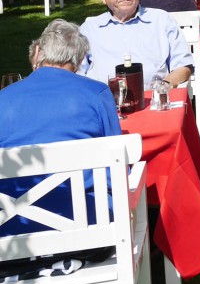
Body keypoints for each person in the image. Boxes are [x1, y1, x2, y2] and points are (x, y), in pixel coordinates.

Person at [0, 20, 121, 236]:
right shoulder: (96, 93)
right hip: (89, 227)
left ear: (38, 53)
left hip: (12, 229)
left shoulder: (3, 99)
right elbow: (117, 170)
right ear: (80, 59)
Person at [81, 0, 194, 86]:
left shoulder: (161, 21)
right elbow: (74, 73)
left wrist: (164, 86)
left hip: (152, 99)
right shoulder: (89, 29)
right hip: (101, 101)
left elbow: (184, 65)